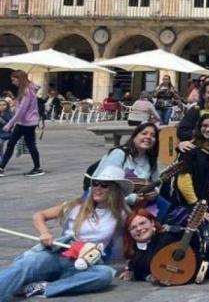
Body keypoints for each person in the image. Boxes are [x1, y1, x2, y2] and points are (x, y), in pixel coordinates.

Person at [0, 165, 130, 300]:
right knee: (28, 264)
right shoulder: (76, 205)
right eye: (95, 183)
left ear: (115, 189)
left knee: (105, 275)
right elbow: (39, 215)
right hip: (60, 255)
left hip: (87, 261)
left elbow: (129, 239)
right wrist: (45, 233)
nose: (97, 188)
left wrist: (129, 266)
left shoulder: (121, 214)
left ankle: (44, 288)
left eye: (104, 185)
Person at [94, 123, 161, 207]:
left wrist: (155, 192)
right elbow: (104, 184)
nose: (148, 137)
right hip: (112, 203)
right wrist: (129, 198)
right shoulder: (119, 154)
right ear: (134, 137)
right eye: (144, 133)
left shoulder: (150, 159)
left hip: (138, 203)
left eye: (153, 135)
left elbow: (156, 182)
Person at [174, 115, 209, 210]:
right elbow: (183, 182)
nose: (208, 129)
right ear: (199, 128)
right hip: (192, 205)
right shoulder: (189, 148)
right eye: (204, 126)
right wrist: (196, 205)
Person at [0, 70, 43, 177]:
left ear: (20, 79)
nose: (12, 82)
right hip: (24, 122)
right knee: (13, 144)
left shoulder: (27, 91)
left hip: (27, 123)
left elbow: (22, 110)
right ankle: (1, 167)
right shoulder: (28, 89)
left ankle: (38, 168)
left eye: (13, 79)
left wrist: (9, 124)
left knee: (29, 145)